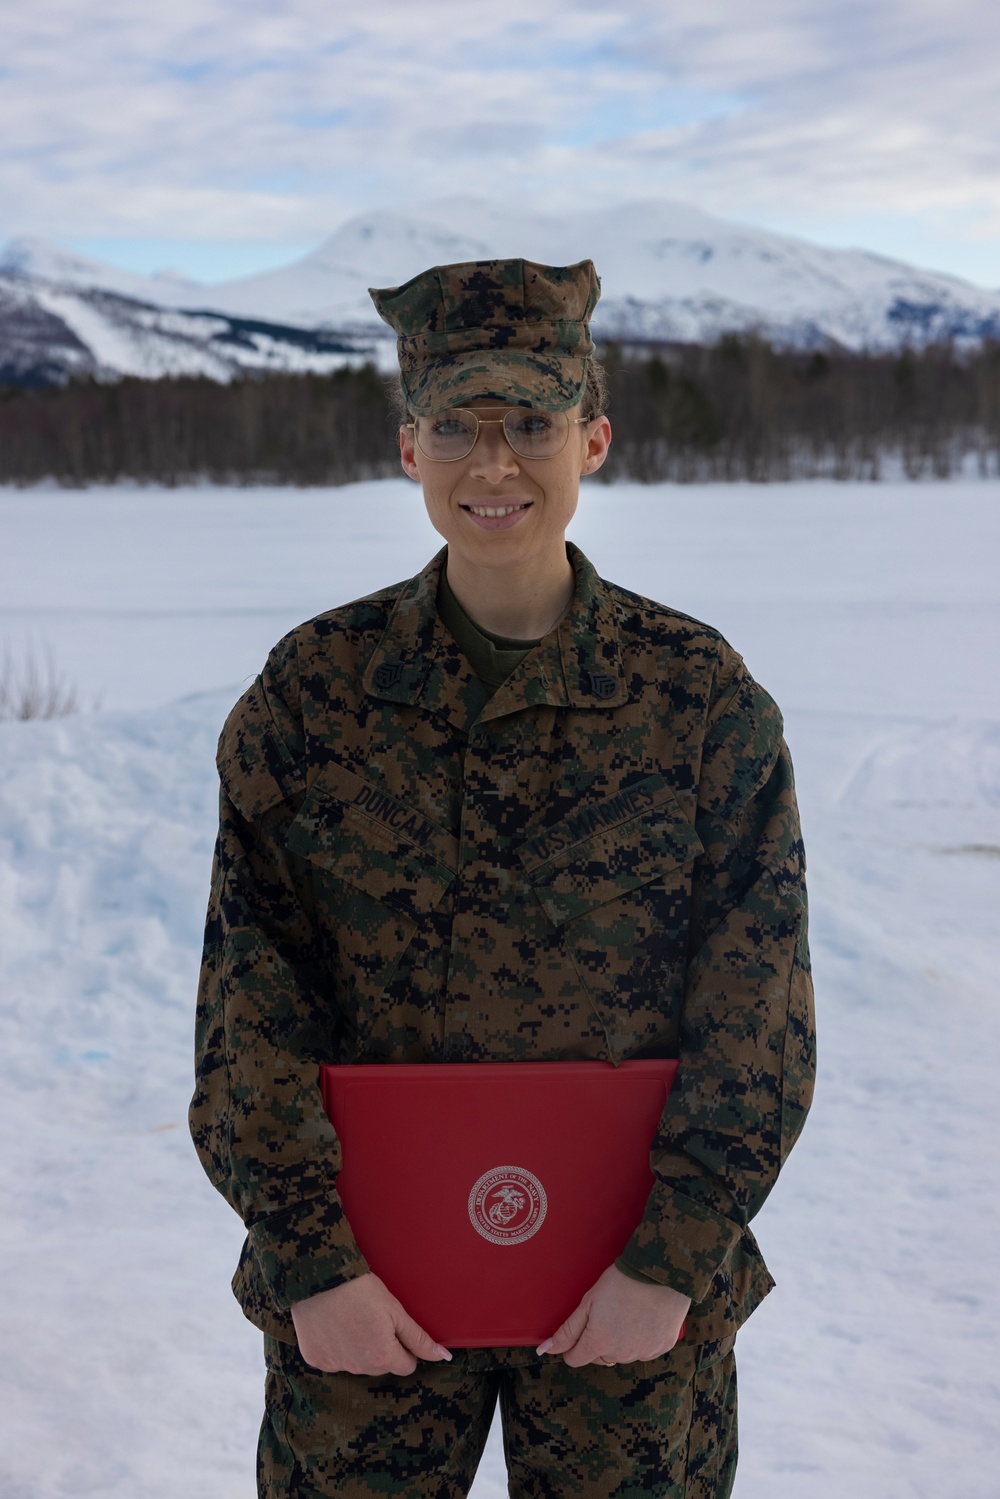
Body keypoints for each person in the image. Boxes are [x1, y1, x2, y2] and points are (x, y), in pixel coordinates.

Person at [190, 257, 815, 1499]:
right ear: (405, 444)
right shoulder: (314, 695)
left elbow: (758, 1015)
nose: (494, 467)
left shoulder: (694, 698)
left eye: (530, 424)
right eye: (458, 429)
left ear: (593, 439)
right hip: (370, 1302)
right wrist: (313, 1263)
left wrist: (669, 1261)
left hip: (624, 1303)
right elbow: (249, 1005)